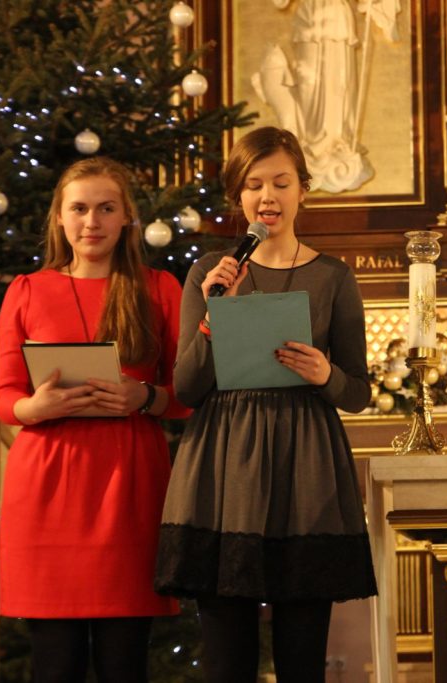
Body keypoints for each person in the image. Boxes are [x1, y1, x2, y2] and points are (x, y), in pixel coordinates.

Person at [154, 126, 376, 681]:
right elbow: (186, 389)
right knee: (227, 656)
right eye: (254, 185)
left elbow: (358, 391)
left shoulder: (332, 276)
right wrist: (215, 315)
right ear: (239, 196)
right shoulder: (210, 272)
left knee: (302, 654)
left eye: (281, 182)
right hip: (223, 461)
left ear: (303, 189)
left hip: (305, 462)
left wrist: (325, 374)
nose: (267, 196)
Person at [0, 157, 189, 681]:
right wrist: (33, 408)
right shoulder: (27, 289)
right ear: (59, 217)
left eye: (106, 208)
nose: (91, 222)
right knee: (55, 664)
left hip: (129, 486)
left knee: (124, 663)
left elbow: (188, 395)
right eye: (78, 209)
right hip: (47, 487)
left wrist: (143, 396)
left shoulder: (159, 288)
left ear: (127, 217)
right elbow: (5, 394)